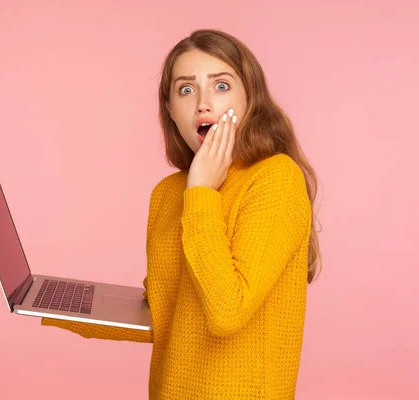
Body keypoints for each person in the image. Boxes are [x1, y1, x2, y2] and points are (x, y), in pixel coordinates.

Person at [42, 28, 322, 399]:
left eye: (221, 86)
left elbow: (226, 313)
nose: (203, 104)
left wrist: (202, 192)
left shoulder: (276, 179)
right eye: (186, 90)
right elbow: (169, 314)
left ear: (251, 98)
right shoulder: (169, 193)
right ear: (171, 111)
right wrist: (55, 304)